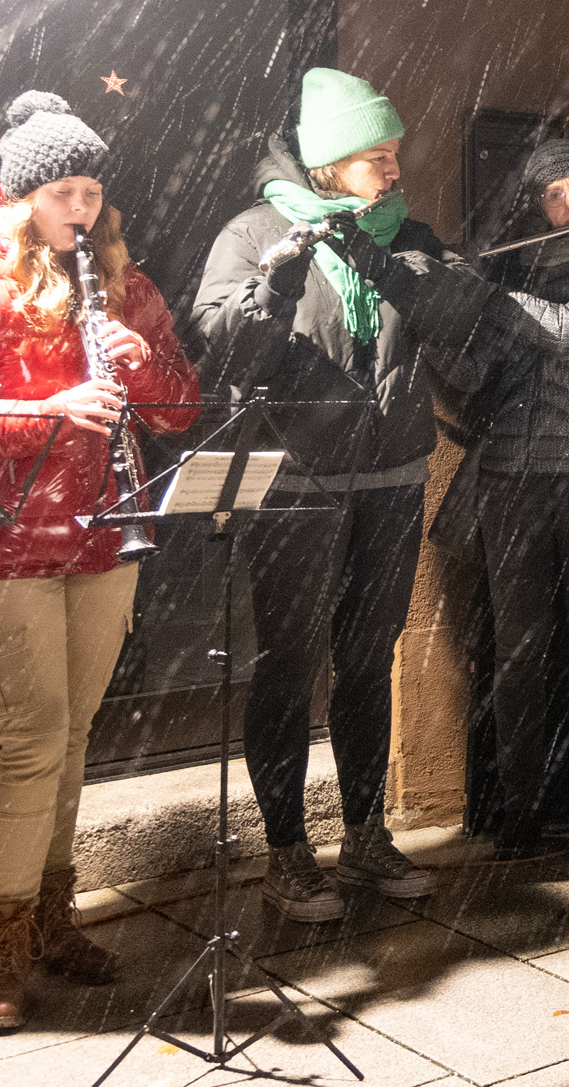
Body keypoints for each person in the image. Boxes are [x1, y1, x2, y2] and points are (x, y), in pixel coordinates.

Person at [0, 92, 201, 1033]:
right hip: (6, 540)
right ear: (21, 193)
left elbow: (179, 411)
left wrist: (143, 363)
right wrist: (49, 410)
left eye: (92, 190)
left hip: (108, 530)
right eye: (64, 190)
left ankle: (54, 920)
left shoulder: (121, 279)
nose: (82, 208)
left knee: (74, 737)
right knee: (32, 738)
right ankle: (3, 950)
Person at [194, 68, 501, 919]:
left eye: (396, 154)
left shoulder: (402, 234)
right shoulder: (254, 231)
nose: (394, 170)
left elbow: (462, 326)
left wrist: (404, 273)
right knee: (291, 667)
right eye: (377, 157)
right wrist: (279, 282)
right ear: (329, 164)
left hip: (394, 476)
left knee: (369, 663)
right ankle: (288, 852)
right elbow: (226, 350)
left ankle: (364, 836)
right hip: (297, 481)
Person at [434, 136, 569, 859]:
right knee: (517, 654)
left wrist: (483, 295)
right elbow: (467, 378)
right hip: (510, 481)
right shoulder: (516, 268)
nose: (567, 207)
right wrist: (442, 318)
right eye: (553, 196)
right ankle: (519, 810)